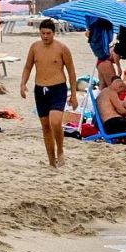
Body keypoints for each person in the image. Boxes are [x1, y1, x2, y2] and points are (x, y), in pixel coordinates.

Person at [18, 21, 77, 167]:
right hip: (40, 89)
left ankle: (60, 150)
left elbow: (71, 72)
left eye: (48, 33)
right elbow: (28, 67)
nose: (45, 36)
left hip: (58, 88)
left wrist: (74, 95)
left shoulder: (62, 48)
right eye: (42, 33)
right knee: (45, 126)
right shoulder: (34, 47)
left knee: (55, 121)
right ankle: (51, 161)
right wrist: (23, 84)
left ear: (53, 33)